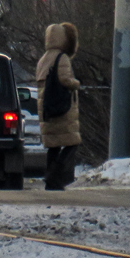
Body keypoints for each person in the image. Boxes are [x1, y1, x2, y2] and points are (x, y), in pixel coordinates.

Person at [36, 22, 81, 191]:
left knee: (53, 146)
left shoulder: (43, 58)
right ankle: (57, 177)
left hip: (47, 109)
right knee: (71, 143)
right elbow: (64, 80)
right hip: (62, 109)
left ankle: (50, 177)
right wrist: (76, 83)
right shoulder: (61, 58)